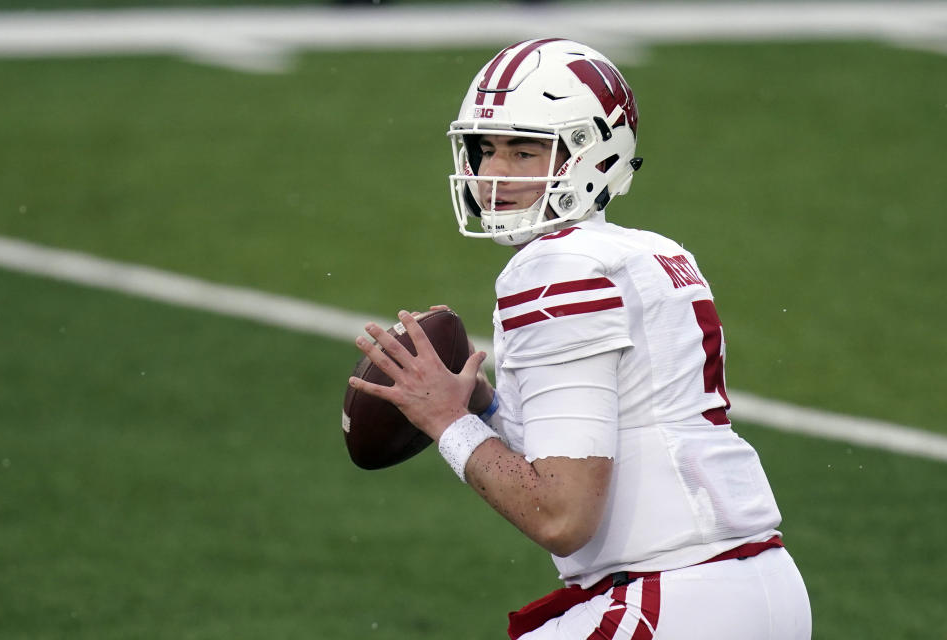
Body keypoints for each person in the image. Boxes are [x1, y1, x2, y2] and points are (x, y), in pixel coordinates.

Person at [348, 38, 812, 639]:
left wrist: (447, 422)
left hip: (672, 597)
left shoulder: (552, 269)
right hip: (760, 588)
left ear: (591, 153)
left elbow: (562, 516)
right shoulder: (654, 252)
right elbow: (605, 442)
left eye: (525, 151)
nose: (494, 173)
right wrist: (485, 408)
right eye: (486, 149)